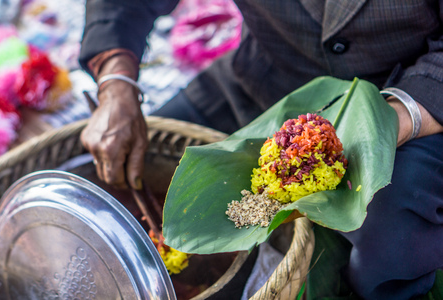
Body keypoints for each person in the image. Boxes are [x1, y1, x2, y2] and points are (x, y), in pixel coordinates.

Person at [79, 1, 443, 299]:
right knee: (133, 161)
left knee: (394, 230)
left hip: (413, 98)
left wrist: (385, 122)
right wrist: (116, 83)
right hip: (270, 76)